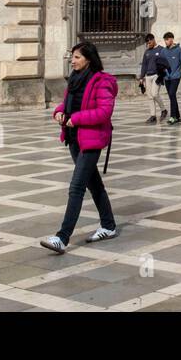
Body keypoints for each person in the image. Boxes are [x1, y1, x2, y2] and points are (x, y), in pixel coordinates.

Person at [40, 41, 119, 253]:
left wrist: (76, 119)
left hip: (91, 140)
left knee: (76, 187)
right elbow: (68, 103)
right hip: (74, 138)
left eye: (76, 57)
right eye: (72, 56)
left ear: (88, 59)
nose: (72, 60)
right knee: (94, 184)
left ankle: (62, 238)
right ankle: (108, 225)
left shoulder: (102, 82)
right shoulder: (75, 79)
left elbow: (104, 112)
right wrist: (58, 111)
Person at [139, 33, 171, 124]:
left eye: (149, 42)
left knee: (154, 94)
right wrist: (141, 78)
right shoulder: (147, 52)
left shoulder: (161, 50)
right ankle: (153, 116)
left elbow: (165, 63)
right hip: (148, 76)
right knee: (149, 96)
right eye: (147, 43)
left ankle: (163, 110)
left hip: (157, 75)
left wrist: (163, 74)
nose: (148, 44)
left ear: (153, 40)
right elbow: (144, 65)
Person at [160, 31, 181, 126]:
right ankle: (177, 116)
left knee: (172, 94)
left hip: (176, 76)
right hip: (166, 77)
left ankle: (173, 116)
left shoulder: (179, 50)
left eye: (167, 40)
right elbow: (160, 63)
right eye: (164, 40)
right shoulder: (163, 51)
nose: (165, 42)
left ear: (171, 39)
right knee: (171, 96)